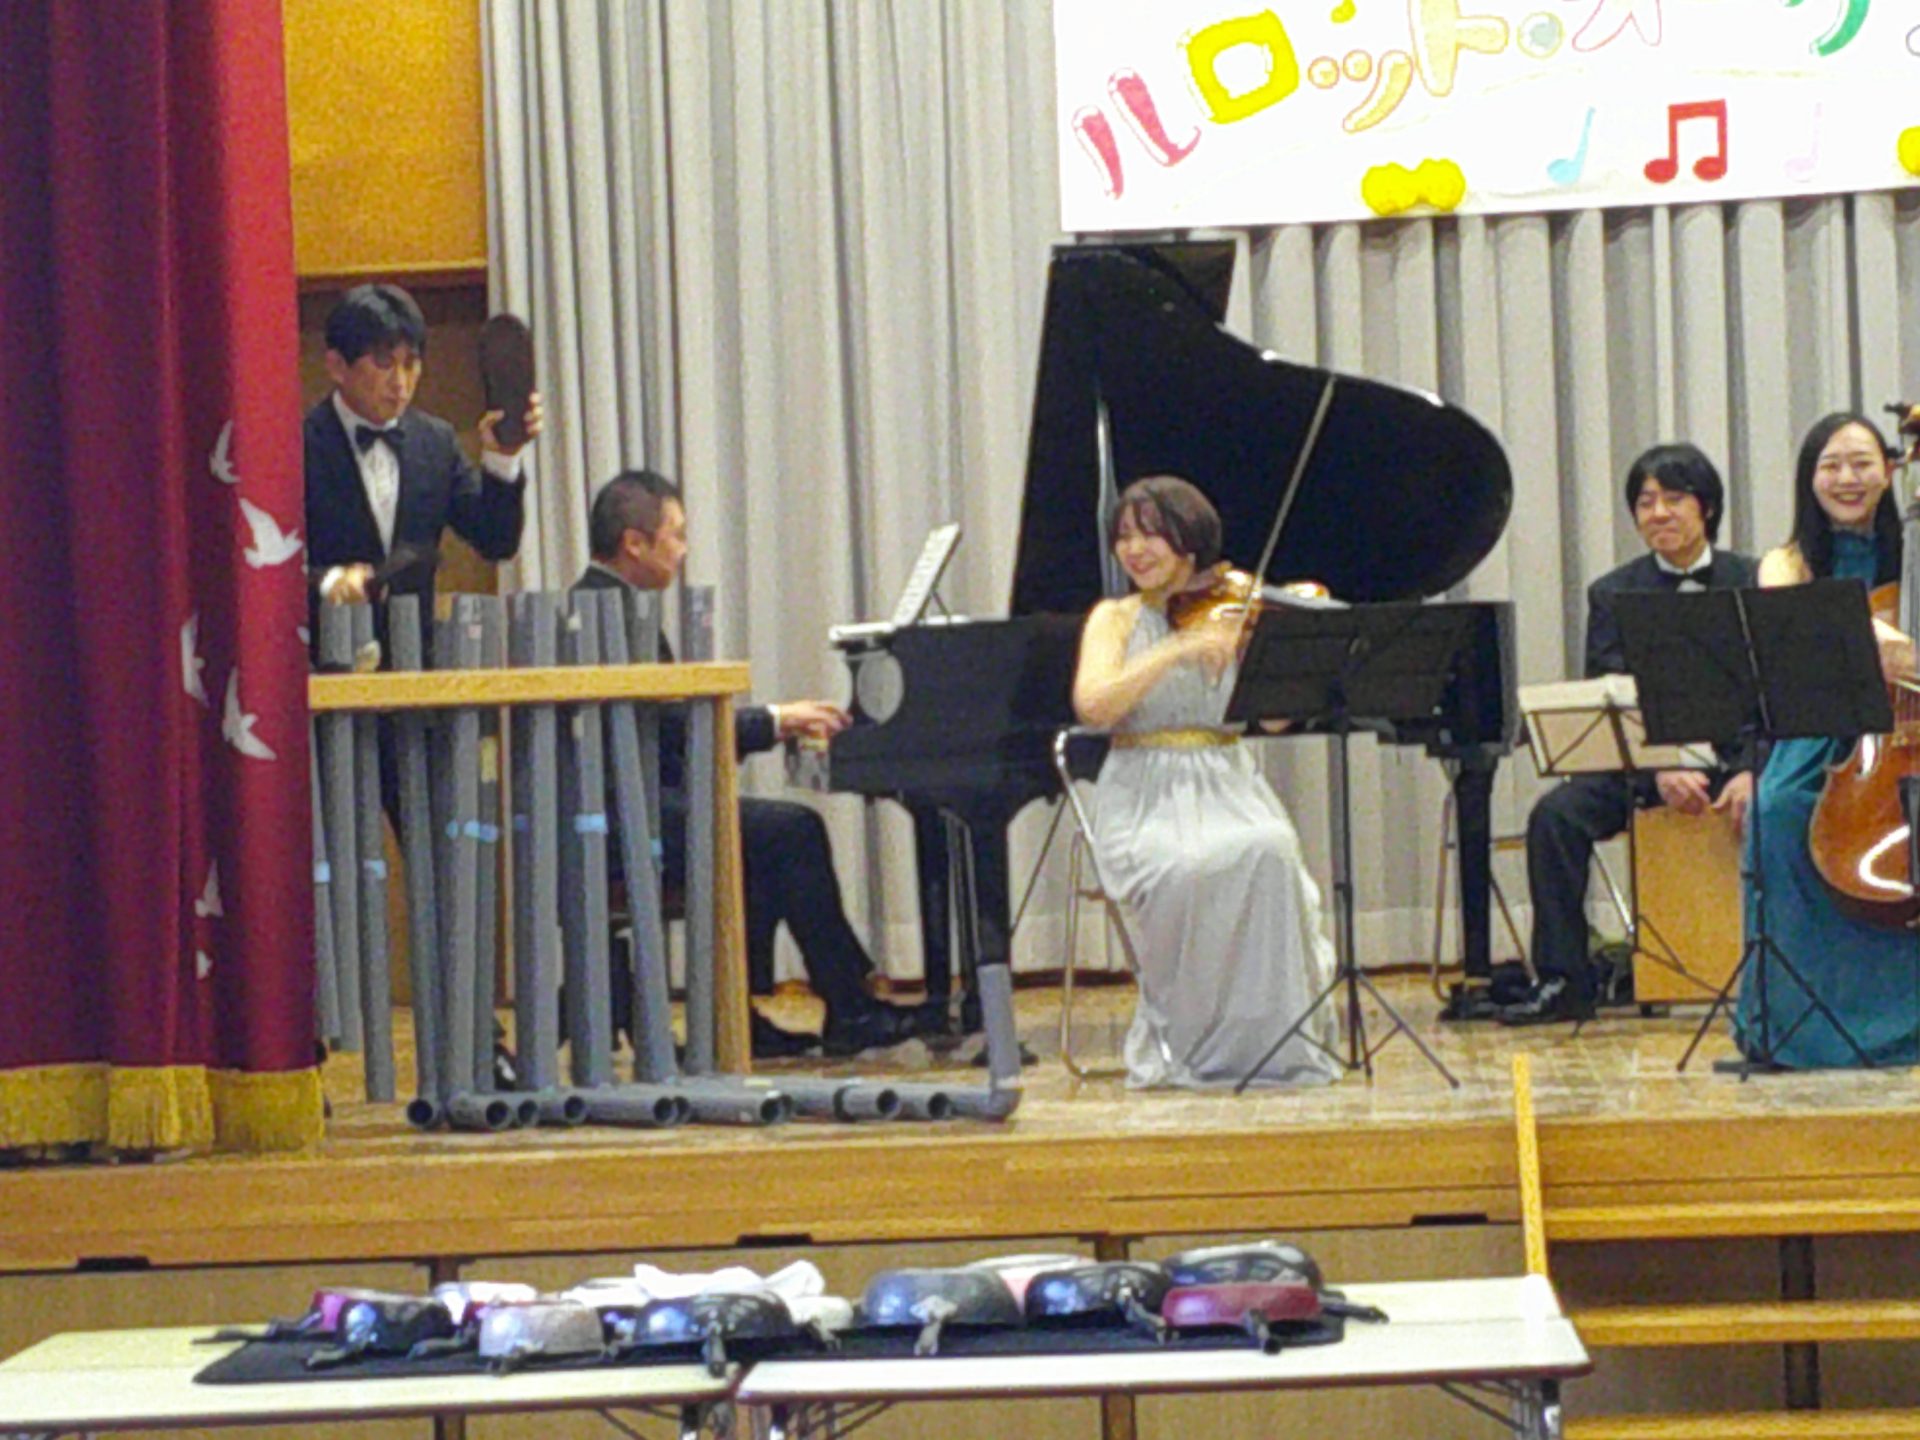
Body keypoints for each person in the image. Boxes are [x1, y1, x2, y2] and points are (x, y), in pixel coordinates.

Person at [575, 470, 930, 1059]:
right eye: (676, 535)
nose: (683, 550)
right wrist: (774, 720)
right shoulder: (612, 615)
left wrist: (770, 722)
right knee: (791, 830)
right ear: (634, 543)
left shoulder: (595, 602)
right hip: (626, 818)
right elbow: (671, 726)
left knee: (766, 840)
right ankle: (848, 1005)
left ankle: (747, 1013)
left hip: (625, 804)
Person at [1071, 475, 1341, 1089]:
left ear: (1189, 541)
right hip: (1142, 791)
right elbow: (1094, 705)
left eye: (1150, 535)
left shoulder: (1233, 607)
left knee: (1269, 852)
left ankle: (1271, 1043)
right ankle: (1190, 1043)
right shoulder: (1114, 619)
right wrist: (1176, 649)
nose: (1134, 550)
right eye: (1124, 537)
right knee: (1187, 866)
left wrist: (1277, 652)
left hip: (1226, 779)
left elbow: (1274, 719)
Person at [1500, 444, 1759, 1026]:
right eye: (1645, 502)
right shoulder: (1612, 594)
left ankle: (1779, 973)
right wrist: (1660, 765)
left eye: (1674, 498)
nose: (1658, 513)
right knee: (1555, 817)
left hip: (1739, 761)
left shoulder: (1753, 578)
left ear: (1707, 507)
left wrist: (1750, 769)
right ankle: (1566, 980)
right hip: (1648, 765)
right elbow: (1611, 691)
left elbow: (1771, 692)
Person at [1736, 411, 1919, 1068]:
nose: (1848, 478)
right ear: (1809, 478)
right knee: (1776, 812)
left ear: (1889, 471)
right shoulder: (1788, 562)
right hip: (1821, 730)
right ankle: (1796, 1023)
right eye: (1831, 465)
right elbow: (1809, 620)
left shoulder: (1911, 548)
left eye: (1862, 463)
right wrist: (1889, 639)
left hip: (1905, 731)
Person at [305, 283, 543, 619]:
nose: (400, 383)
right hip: (326, 644)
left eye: (411, 364)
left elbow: (496, 541)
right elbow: (266, 564)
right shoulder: (299, 445)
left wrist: (503, 455)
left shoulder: (435, 442)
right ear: (337, 366)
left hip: (414, 647)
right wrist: (329, 583)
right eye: (384, 362)